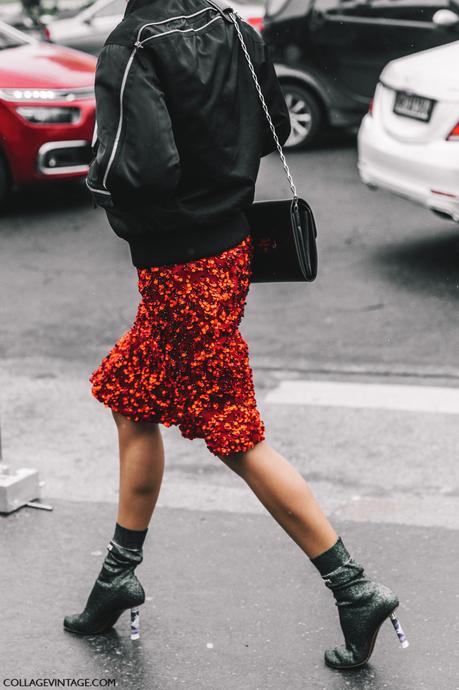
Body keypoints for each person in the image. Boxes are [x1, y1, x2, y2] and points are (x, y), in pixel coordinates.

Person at [63, 0, 408, 670]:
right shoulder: (230, 25)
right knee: (132, 401)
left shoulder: (132, 45)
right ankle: (115, 578)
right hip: (231, 249)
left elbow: (141, 171)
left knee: (234, 435)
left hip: (178, 272)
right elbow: (272, 124)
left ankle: (354, 586)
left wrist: (100, 181)